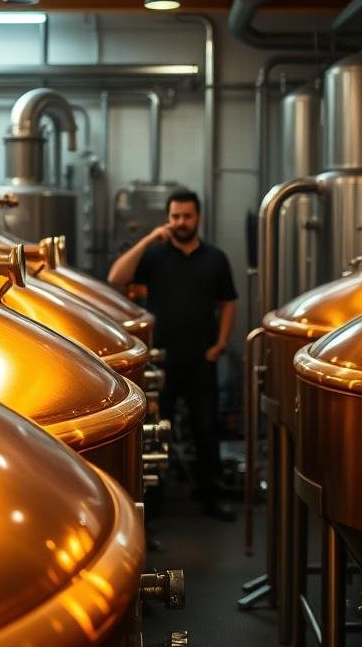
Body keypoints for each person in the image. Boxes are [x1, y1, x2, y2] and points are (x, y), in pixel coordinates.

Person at [108, 188, 237, 521]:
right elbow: (116, 277)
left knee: (206, 429)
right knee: (156, 432)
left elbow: (228, 302)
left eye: (187, 216)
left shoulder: (215, 258)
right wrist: (150, 237)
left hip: (201, 359)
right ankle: (155, 509)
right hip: (161, 361)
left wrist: (220, 344)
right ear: (168, 218)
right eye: (175, 216)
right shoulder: (154, 256)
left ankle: (213, 497)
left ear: (198, 217)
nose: (180, 222)